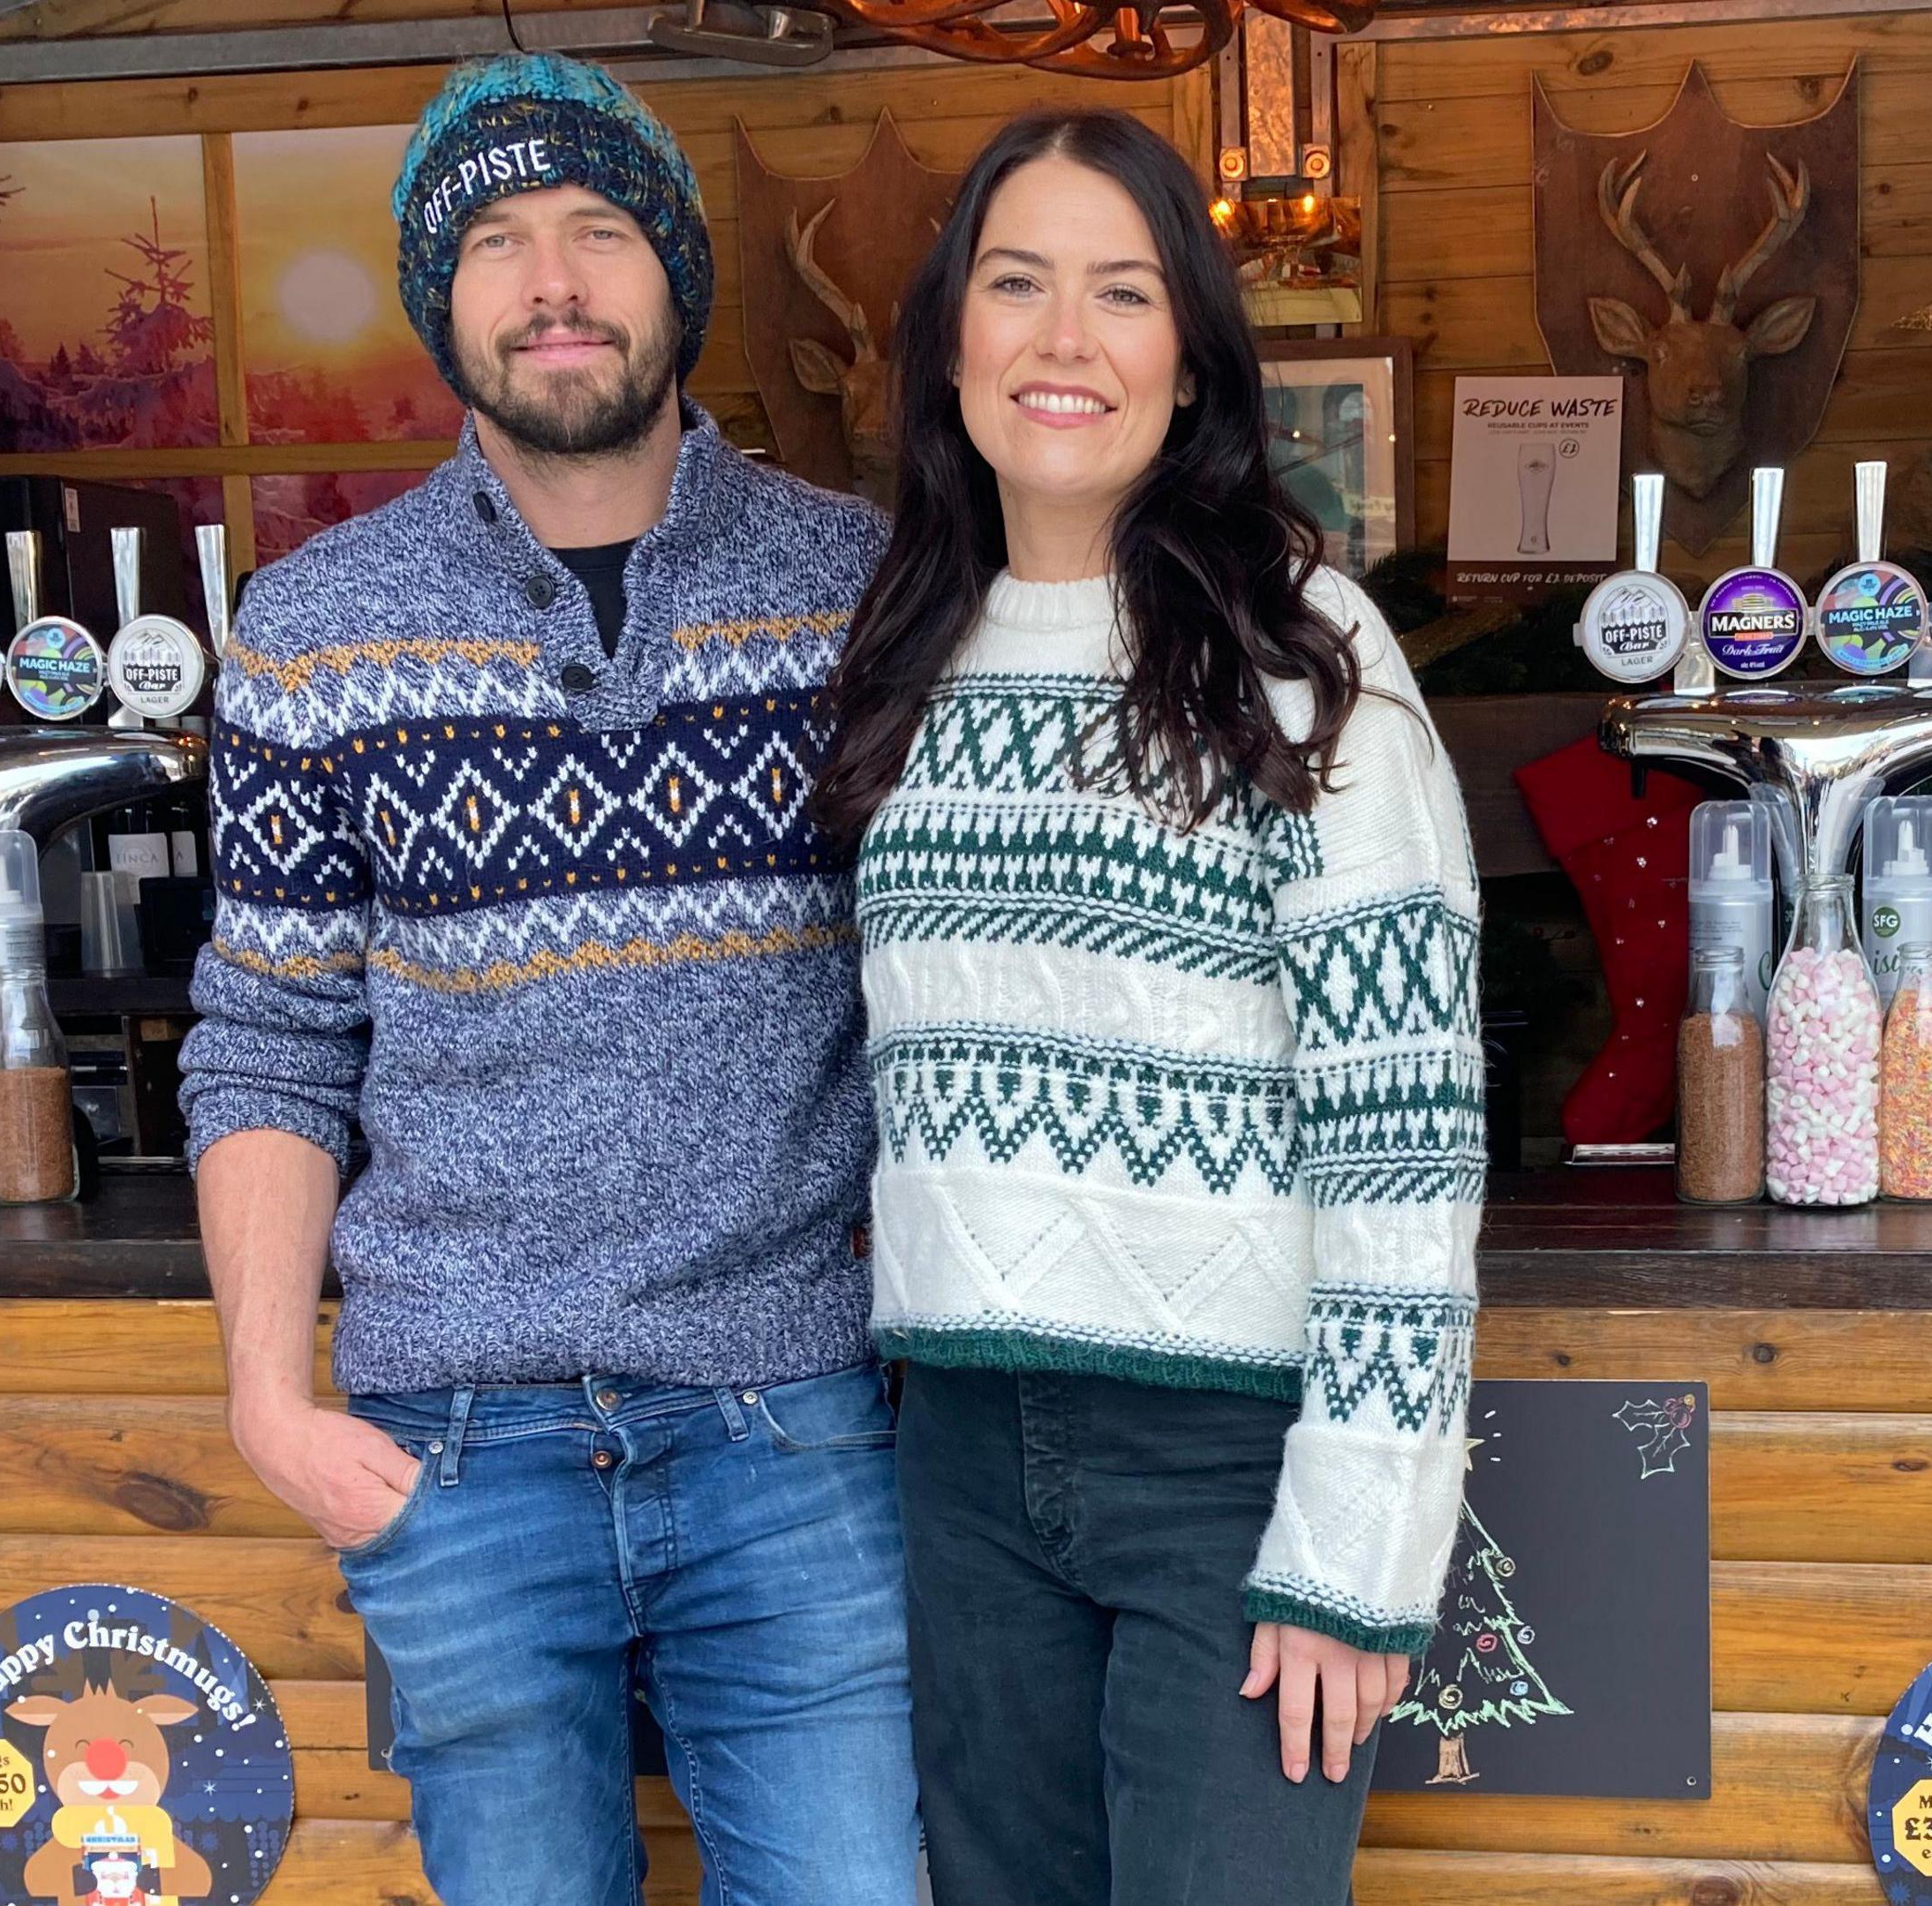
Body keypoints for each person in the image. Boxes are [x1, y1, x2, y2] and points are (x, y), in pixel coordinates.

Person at [177, 52, 914, 1906]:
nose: (554, 280)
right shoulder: (315, 625)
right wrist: (274, 1403)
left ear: (676, 277)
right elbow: (271, 1038)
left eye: (599, 230)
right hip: (456, 1449)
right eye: (496, 243)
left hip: (795, 1428)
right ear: (446, 305)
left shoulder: (867, 587)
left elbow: (950, 984)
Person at [812, 108, 1483, 1903]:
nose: (1062, 339)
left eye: (1121, 293)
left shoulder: (1308, 657)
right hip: (957, 1449)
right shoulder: (901, 651)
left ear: (1188, 362)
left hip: (1228, 1473)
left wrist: (1356, 1548)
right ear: (952, 339)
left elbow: (1405, 1131)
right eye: (1015, 284)